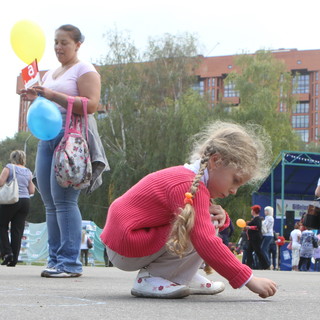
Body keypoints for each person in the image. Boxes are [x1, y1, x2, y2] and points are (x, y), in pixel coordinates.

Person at [100, 121, 277, 299]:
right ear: (215, 161)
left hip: (126, 242)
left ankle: (181, 275)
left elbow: (209, 226)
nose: (234, 190)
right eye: (235, 180)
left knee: (206, 221)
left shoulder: (192, 181)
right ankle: (153, 278)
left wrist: (223, 218)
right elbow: (205, 240)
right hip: (125, 246)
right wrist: (248, 279)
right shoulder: (188, 184)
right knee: (199, 226)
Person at [20, 24, 109, 278]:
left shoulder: (85, 69)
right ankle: (55, 259)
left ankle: (70, 263)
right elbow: (47, 99)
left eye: (64, 43)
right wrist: (37, 96)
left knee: (64, 201)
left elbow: (91, 105)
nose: (58, 47)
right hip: (46, 139)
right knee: (49, 203)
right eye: (56, 42)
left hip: (70, 138)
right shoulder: (51, 73)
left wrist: (52, 95)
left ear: (78, 44)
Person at [0, 150, 35, 267]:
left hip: (12, 199)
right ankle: (14, 259)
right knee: (17, 230)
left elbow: (0, 182)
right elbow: (32, 190)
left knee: (1, 225)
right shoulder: (28, 172)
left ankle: (7, 253)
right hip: (25, 202)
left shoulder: (9, 167)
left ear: (12, 158)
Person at [244, 205, 269, 270]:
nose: (251, 211)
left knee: (258, 251)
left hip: (255, 238)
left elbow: (258, 227)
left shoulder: (257, 219)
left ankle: (265, 265)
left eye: (252, 210)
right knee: (249, 251)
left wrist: (249, 227)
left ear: (254, 211)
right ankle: (249, 265)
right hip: (252, 238)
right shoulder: (255, 219)